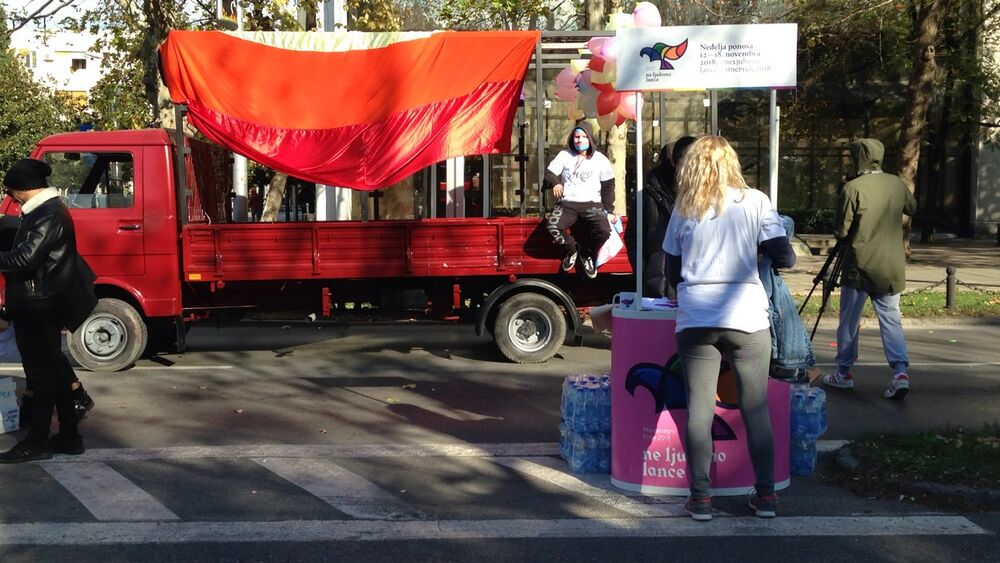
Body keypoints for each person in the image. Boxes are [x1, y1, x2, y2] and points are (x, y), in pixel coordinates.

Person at [662, 136, 795, 521]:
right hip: (746, 317)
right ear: (732, 163)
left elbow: (671, 270)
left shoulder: (684, 207)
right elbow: (785, 257)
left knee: (699, 409)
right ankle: (765, 495)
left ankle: (701, 498)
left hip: (696, 319)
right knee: (755, 408)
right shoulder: (756, 201)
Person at [0, 159, 98, 463]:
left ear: (23, 188)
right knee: (53, 371)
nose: (12, 198)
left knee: (40, 376)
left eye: (12, 191)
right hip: (40, 301)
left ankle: (37, 442)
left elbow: (25, 259)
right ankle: (69, 436)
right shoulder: (45, 211)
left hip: (39, 304)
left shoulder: (48, 214)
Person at [821, 138, 917, 400]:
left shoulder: (853, 187)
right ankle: (900, 373)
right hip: (891, 266)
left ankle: (843, 372)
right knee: (891, 319)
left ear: (858, 158)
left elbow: (841, 231)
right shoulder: (896, 183)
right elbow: (912, 207)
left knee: (849, 321)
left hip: (859, 266)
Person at [626, 136, 696, 297]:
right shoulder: (647, 195)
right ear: (674, 162)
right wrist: (646, 273)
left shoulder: (706, 198)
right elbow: (633, 239)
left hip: (694, 287)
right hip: (657, 286)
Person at [544, 121, 615, 279]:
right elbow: (549, 173)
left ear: (590, 138)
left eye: (583, 137)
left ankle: (586, 254)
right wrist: (556, 183)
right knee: (553, 226)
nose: (579, 140)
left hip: (592, 204)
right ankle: (572, 252)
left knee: (604, 231)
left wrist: (609, 210)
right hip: (567, 203)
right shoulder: (564, 155)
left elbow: (608, 185)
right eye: (577, 137)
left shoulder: (600, 159)